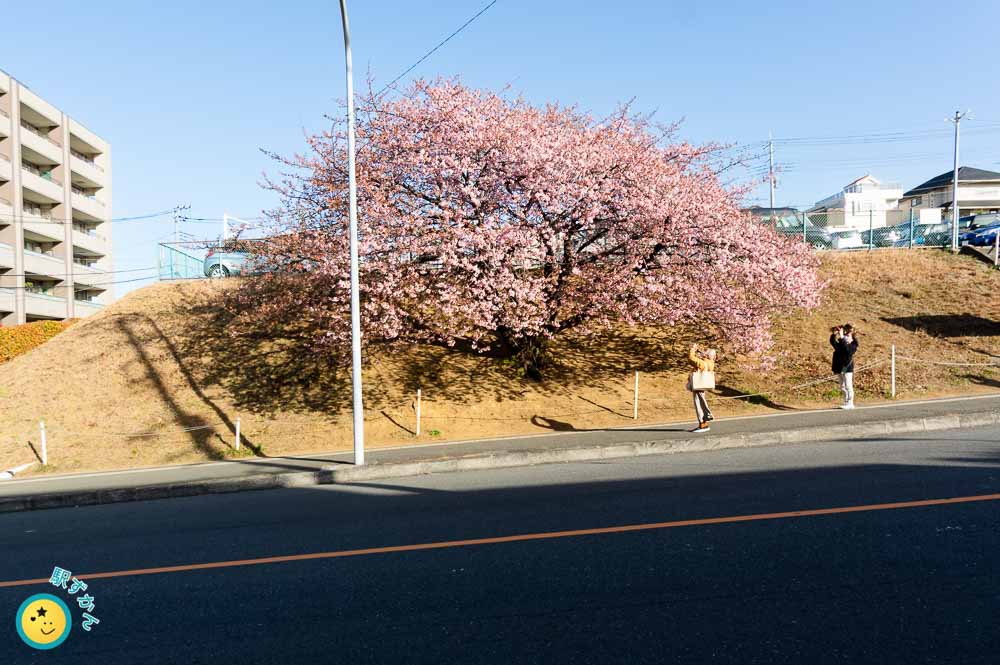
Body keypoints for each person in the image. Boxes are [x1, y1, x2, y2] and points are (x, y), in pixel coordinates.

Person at [688, 343, 717, 432]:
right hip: (703, 385)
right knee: (701, 401)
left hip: (698, 385)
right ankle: (704, 421)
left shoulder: (703, 363)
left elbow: (691, 359)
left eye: (705, 352)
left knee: (699, 403)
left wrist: (693, 349)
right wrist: (700, 353)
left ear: (707, 355)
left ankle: (704, 422)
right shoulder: (710, 363)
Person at [829, 324, 859, 409]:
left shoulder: (854, 344)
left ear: (852, 335)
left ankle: (850, 403)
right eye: (845, 334)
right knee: (842, 386)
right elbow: (833, 343)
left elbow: (848, 350)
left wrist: (842, 337)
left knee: (848, 385)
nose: (846, 336)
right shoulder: (842, 343)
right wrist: (834, 334)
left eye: (848, 335)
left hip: (847, 368)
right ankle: (846, 402)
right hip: (839, 367)